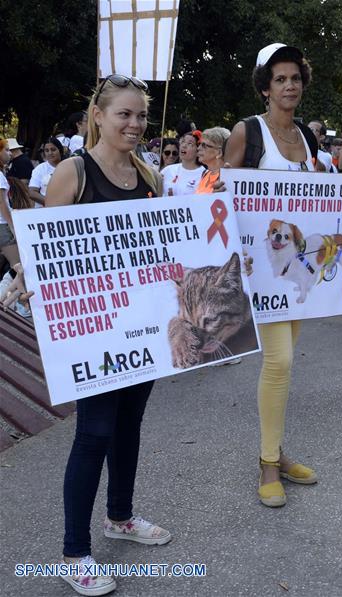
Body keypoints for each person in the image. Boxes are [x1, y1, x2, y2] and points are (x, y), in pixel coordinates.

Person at [2, 74, 171, 597]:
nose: (135, 124)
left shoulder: (148, 174)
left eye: (141, 115)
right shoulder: (72, 173)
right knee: (94, 432)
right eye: (124, 114)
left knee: (129, 425)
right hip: (93, 330)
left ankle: (119, 517)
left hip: (140, 323)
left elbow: (162, 246)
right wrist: (27, 278)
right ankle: (74, 551)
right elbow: (49, 245)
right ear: (97, 116)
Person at [224, 42, 322, 508]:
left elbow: (325, 195)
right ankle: (267, 462)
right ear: (265, 87)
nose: (289, 86)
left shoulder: (308, 137)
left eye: (295, 78)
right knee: (279, 361)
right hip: (258, 269)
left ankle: (276, 452)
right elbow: (218, 195)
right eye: (280, 79)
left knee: (286, 363)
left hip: (297, 270)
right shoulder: (248, 132)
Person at [0, 140, 22, 280]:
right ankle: (5, 298)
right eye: (7, 150)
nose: (10, 153)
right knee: (18, 266)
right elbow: (2, 204)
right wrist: (12, 226)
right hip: (2, 225)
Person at [161, 130, 204, 196]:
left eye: (190, 143)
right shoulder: (167, 170)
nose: (184, 146)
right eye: (183, 141)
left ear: (198, 150)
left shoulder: (204, 174)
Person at [28, 137, 66, 206]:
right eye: (47, 150)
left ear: (60, 150)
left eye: (53, 150)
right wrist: (51, 203)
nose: (50, 153)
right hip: (45, 210)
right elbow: (32, 192)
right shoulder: (40, 169)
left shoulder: (69, 166)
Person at [196, 127, 230, 194]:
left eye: (204, 145)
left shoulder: (227, 178)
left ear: (219, 152)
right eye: (199, 144)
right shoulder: (205, 173)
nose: (198, 148)